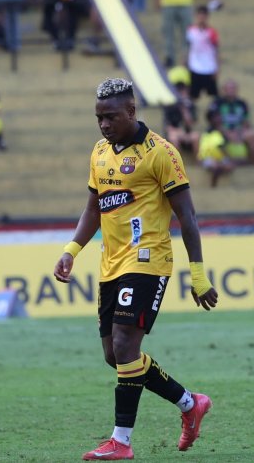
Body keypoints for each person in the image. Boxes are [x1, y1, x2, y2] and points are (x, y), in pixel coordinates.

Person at [52, 78, 218, 460]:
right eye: (98, 118)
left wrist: (198, 274)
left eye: (110, 116)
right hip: (111, 264)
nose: (104, 125)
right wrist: (72, 250)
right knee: (116, 356)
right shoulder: (98, 152)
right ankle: (190, 404)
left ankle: (120, 442)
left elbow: (187, 216)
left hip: (148, 259)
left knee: (127, 345)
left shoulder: (161, 153)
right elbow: (94, 207)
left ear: (131, 111)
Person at [207, 79, 254, 163]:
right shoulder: (217, 103)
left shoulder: (242, 103)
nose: (231, 90)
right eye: (228, 88)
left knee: (253, 135)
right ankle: (223, 162)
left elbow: (246, 122)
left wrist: (239, 133)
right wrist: (227, 132)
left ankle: (251, 164)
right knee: (216, 139)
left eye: (233, 88)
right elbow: (214, 123)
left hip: (239, 131)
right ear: (224, 90)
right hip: (221, 132)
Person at [185, 6, 219, 100]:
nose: (201, 18)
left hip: (209, 67)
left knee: (213, 96)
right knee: (193, 95)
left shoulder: (212, 32)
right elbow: (188, 47)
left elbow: (216, 50)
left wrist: (217, 67)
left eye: (204, 16)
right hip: (194, 66)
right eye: (200, 15)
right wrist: (186, 62)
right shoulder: (190, 30)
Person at [197, 110, 236, 186]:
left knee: (229, 166)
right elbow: (221, 148)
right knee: (216, 166)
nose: (219, 118)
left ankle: (219, 167)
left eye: (219, 116)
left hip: (220, 158)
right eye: (216, 117)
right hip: (209, 158)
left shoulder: (220, 131)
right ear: (211, 120)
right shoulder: (212, 133)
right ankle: (213, 183)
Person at [163, 80, 199, 155]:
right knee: (173, 137)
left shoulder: (190, 106)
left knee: (195, 136)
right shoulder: (170, 106)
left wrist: (184, 111)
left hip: (186, 133)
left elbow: (190, 124)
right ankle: (178, 161)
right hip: (175, 132)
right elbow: (168, 127)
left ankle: (198, 161)